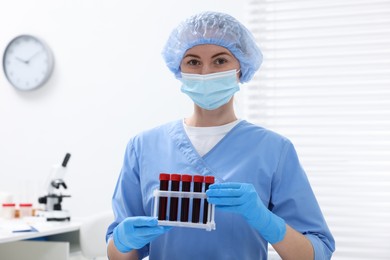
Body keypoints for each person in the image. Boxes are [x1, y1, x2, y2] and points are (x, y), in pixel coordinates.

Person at [106, 11, 335, 260]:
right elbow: (120, 255)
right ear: (179, 69)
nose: (206, 73)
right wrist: (122, 241)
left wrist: (267, 221)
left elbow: (316, 253)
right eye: (193, 62)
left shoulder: (274, 149)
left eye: (220, 61)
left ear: (241, 67)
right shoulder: (144, 147)